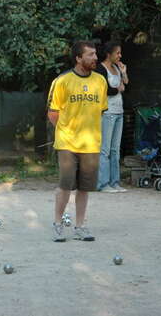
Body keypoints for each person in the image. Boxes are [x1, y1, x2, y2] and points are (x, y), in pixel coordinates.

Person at [47, 41, 108, 242]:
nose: (95, 58)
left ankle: (80, 226)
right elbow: (53, 113)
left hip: (90, 143)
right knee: (65, 185)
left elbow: (98, 111)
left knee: (84, 187)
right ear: (78, 58)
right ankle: (57, 224)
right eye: (90, 55)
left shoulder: (100, 81)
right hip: (67, 142)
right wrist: (67, 131)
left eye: (95, 54)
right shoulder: (62, 81)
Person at [95, 42, 129, 193]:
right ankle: (103, 184)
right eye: (117, 53)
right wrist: (118, 89)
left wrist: (123, 72)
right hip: (107, 113)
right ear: (109, 54)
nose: (120, 56)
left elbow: (126, 83)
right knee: (105, 150)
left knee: (116, 150)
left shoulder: (117, 67)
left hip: (119, 112)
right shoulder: (100, 68)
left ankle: (115, 182)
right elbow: (104, 90)